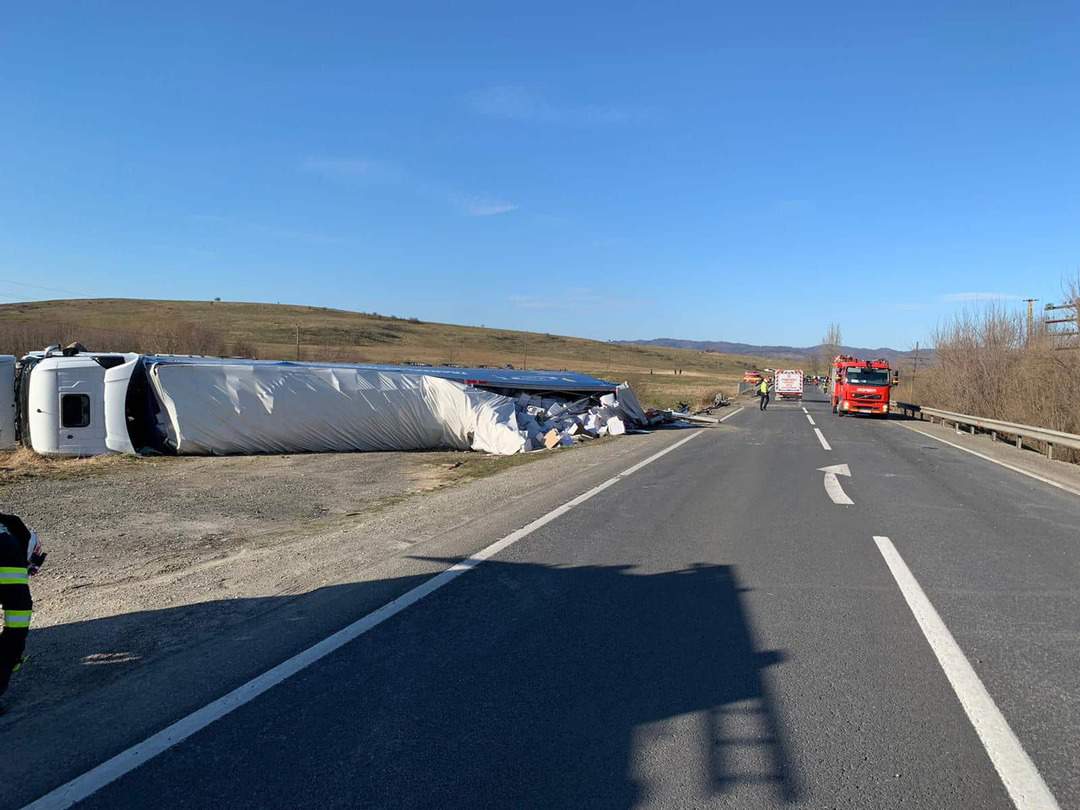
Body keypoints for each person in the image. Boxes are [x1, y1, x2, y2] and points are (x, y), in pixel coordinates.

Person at [0, 512, 44, 712]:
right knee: (14, 638)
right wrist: (11, 659)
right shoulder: (15, 571)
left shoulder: (9, 524)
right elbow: (16, 632)